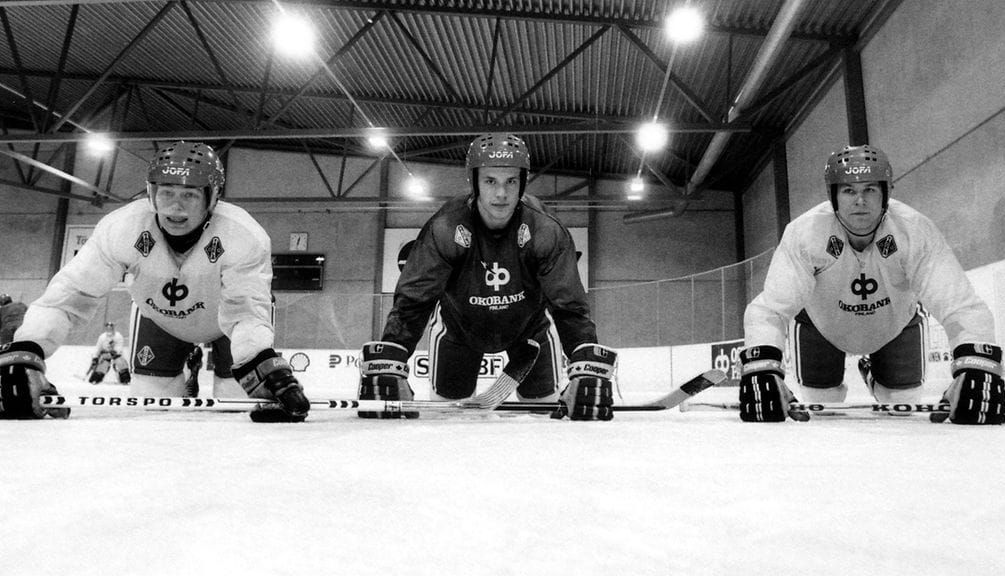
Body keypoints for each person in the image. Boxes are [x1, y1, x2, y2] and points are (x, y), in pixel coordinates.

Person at [0, 141, 309, 421]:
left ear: (212, 197)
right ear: (151, 194)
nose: (176, 207)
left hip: (229, 326)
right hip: (159, 320)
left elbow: (245, 309)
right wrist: (28, 351)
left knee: (235, 407)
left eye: (189, 194)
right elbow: (69, 295)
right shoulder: (121, 228)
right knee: (153, 409)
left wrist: (260, 360)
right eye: (167, 193)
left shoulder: (242, 234)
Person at [357, 133, 616, 420]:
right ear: (475, 182)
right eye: (491, 181)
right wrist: (392, 359)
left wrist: (585, 365)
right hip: (458, 333)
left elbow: (569, 306)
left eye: (511, 182)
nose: (501, 194)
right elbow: (414, 302)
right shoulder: (446, 228)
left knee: (543, 415)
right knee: (449, 419)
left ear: (523, 181)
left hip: (530, 336)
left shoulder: (545, 231)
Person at [740, 144, 1005, 424]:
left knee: (902, 407)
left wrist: (978, 365)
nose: (860, 201)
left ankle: (875, 379)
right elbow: (771, 309)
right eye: (849, 191)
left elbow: (959, 304)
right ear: (833, 196)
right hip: (821, 328)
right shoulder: (803, 234)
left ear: (886, 194)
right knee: (822, 410)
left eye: (869, 189)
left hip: (895, 325)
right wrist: (762, 367)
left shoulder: (915, 230)